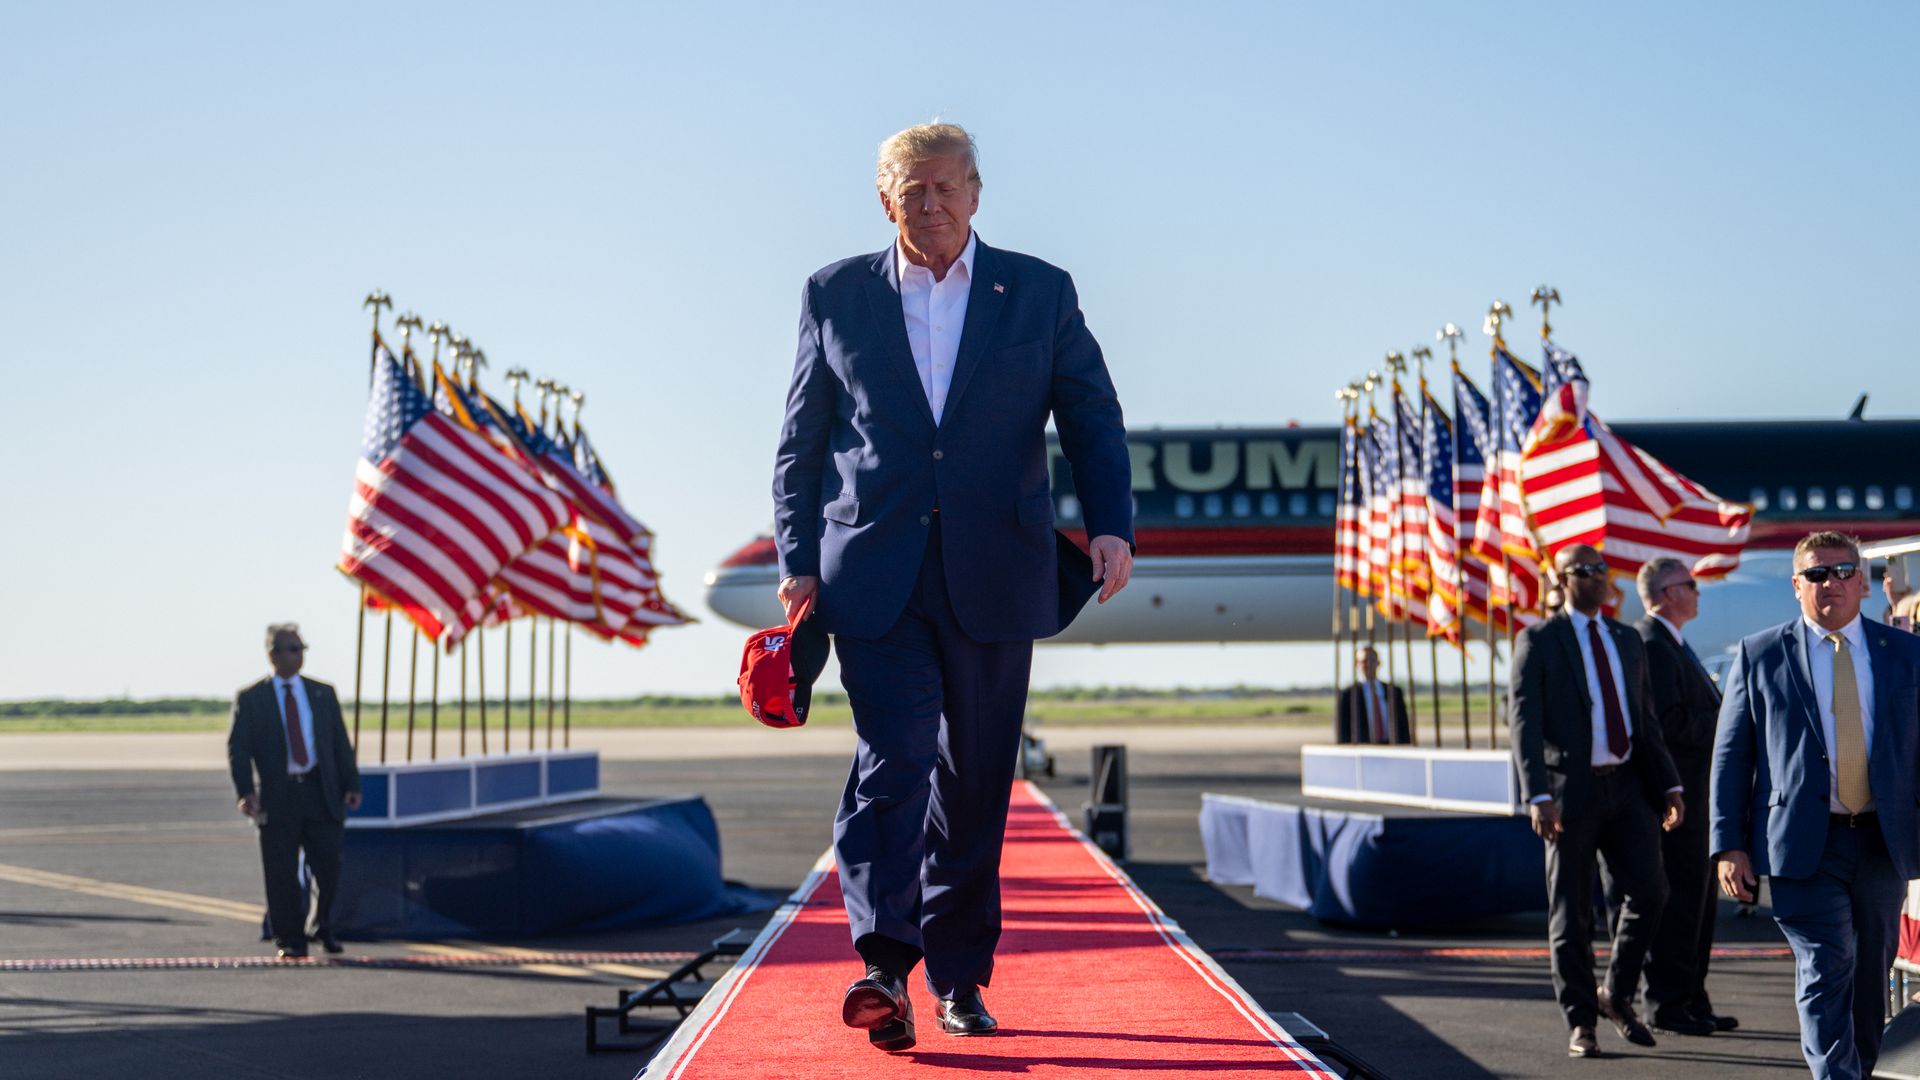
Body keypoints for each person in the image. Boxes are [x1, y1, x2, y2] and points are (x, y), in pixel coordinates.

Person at [771, 123, 1133, 1051]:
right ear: (884, 199)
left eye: (947, 187)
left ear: (976, 193)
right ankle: (882, 967)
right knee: (893, 762)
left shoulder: (1039, 292)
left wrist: (1111, 525)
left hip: (996, 572)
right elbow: (803, 442)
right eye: (911, 189)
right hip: (873, 575)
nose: (930, 203)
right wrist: (798, 559)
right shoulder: (834, 292)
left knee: (975, 785)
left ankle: (959, 979)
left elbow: (1090, 412)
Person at [1711, 531, 1920, 1079]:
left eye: (1845, 571)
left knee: (1871, 979)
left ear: (1865, 583)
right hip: (1803, 843)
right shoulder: (1759, 654)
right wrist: (1729, 844)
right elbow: (1732, 757)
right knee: (1826, 965)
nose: (1833, 583)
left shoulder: (1905, 653)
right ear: (1797, 587)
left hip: (1882, 841)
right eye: (1818, 574)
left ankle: (1856, 1070)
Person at [1510, 543, 1685, 1058]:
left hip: (1629, 787)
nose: (1598, 578)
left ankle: (1615, 993)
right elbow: (1524, 721)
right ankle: (1580, 1022)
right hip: (1570, 793)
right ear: (1562, 580)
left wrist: (1669, 784)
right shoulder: (1539, 639)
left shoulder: (1625, 638)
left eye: (1602, 570)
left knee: (1651, 892)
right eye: (1585, 571)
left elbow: (1644, 719)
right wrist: (1537, 794)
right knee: (1571, 916)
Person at [1634, 558, 1736, 1036]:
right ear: (1666, 593)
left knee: (1700, 902)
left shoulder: (1673, 642)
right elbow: (1666, 724)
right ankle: (1667, 1003)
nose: (1698, 593)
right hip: (1676, 799)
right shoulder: (1652, 643)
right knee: (1679, 903)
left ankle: (1693, 997)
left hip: (1699, 797)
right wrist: (1727, 722)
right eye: (1690, 586)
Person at [227, 623, 362, 959]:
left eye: (301, 648)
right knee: (280, 871)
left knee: (328, 866)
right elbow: (238, 749)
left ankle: (323, 926)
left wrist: (351, 783)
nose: (298, 655)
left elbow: (339, 743)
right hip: (278, 794)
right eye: (291, 649)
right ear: (272, 654)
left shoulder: (322, 693)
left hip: (319, 792)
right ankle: (290, 938)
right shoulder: (252, 698)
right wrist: (245, 791)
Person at [1335, 647, 1411, 744]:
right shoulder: (1348, 695)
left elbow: (1403, 725)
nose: (1368, 665)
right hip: (1363, 749)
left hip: (1391, 747)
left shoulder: (1394, 692)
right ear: (1356, 665)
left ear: (1378, 663)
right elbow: (1342, 730)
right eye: (1364, 661)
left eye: (1372, 660)